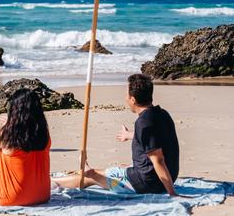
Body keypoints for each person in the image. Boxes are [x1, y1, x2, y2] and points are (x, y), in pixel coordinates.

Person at [52, 74, 181, 196]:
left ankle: (52, 180)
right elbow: (154, 137)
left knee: (89, 177)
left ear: (133, 99)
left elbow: (158, 160)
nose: (125, 98)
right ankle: (96, 171)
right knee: (117, 169)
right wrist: (129, 134)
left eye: (127, 95)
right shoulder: (162, 114)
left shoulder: (143, 123)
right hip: (166, 176)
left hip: (145, 184)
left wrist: (172, 193)